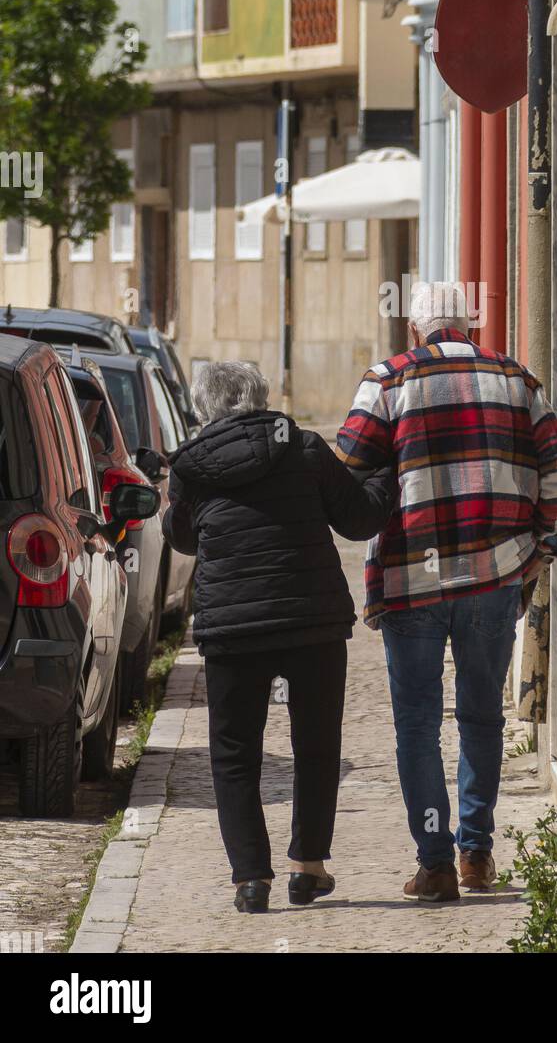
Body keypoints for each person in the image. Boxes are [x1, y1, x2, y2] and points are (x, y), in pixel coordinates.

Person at [336, 281, 557, 902]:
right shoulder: (516, 380)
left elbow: (346, 471)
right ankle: (477, 853)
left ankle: (435, 862)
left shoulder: (388, 381)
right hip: (494, 576)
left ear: (416, 331)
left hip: (412, 578)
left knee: (416, 724)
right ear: (470, 326)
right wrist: (544, 548)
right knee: (482, 716)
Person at [162, 361, 394, 913]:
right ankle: (307, 868)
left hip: (232, 626)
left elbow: (184, 539)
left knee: (235, 753)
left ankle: (250, 879)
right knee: (316, 745)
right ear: (261, 397)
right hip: (310, 621)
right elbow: (360, 520)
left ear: (204, 409)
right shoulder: (305, 448)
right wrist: (386, 470)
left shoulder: (190, 465)